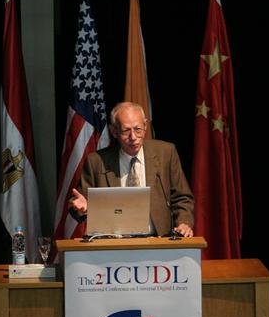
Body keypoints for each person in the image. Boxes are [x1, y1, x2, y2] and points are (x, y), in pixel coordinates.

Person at [69, 101, 194, 237]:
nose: (133, 137)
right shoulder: (96, 161)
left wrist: (183, 222)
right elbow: (78, 203)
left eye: (138, 129)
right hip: (113, 242)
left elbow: (182, 197)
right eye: (126, 131)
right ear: (114, 131)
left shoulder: (166, 153)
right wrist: (81, 208)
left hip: (158, 240)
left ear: (145, 126)